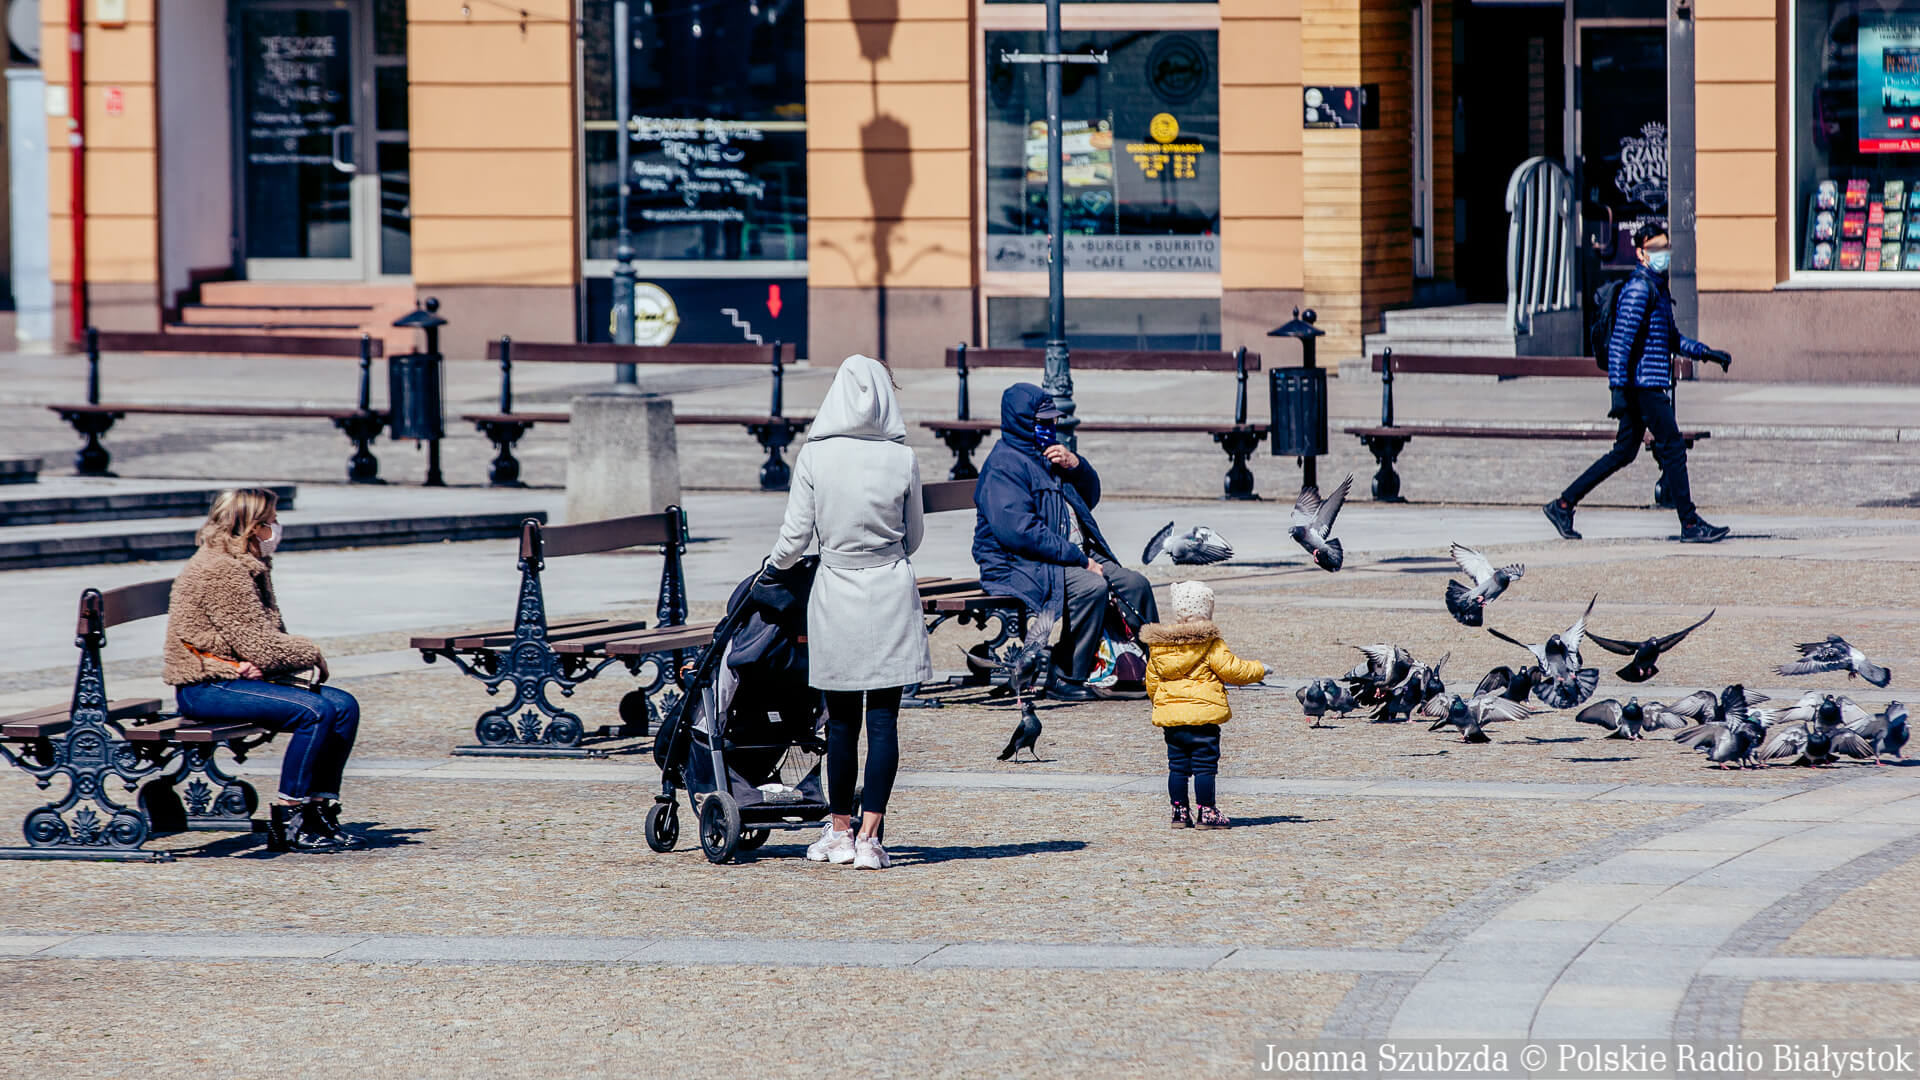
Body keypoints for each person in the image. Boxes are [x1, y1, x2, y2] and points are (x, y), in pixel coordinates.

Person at [770, 354, 932, 872]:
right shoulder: (900, 458)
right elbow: (916, 535)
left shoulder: (816, 457)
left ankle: (838, 830)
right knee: (884, 721)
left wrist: (773, 568)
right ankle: (870, 838)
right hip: (888, 588)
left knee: (841, 721)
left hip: (836, 588)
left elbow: (794, 538)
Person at [163, 488, 363, 852]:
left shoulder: (247, 563)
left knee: (344, 706)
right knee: (314, 711)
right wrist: (311, 652)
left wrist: (265, 659)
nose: (277, 527)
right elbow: (260, 645)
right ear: (252, 527)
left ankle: (318, 810)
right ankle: (290, 817)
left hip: (236, 676)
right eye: (271, 521)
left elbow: (260, 642)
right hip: (207, 685)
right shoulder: (222, 569)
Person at [1545, 221, 1733, 544]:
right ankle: (1689, 524)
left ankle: (1563, 504)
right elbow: (1620, 344)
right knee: (1672, 445)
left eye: (1666, 247)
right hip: (1641, 385)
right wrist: (1618, 392)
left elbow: (1671, 338)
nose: (1663, 254)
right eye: (1656, 249)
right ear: (1641, 252)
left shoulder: (1658, 288)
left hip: (1644, 383)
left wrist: (1706, 353)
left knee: (1623, 453)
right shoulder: (1639, 289)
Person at [973, 383, 1160, 701]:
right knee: (1091, 587)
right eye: (1043, 421)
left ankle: (1155, 665)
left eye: (1053, 420)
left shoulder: (1049, 457)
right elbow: (1020, 532)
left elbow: (1088, 501)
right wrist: (1078, 558)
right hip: (1019, 564)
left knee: (1134, 583)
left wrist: (1078, 467)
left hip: (1064, 557)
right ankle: (1066, 674)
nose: (1051, 427)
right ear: (1022, 422)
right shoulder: (1005, 466)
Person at [1139, 581, 1266, 830]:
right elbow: (1233, 670)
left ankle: (1179, 812)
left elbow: (1152, 682)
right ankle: (1206, 812)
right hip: (1203, 720)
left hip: (1172, 721)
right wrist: (1259, 669)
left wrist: (1163, 704)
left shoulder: (1160, 647)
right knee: (1204, 767)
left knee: (1177, 767)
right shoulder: (1210, 643)